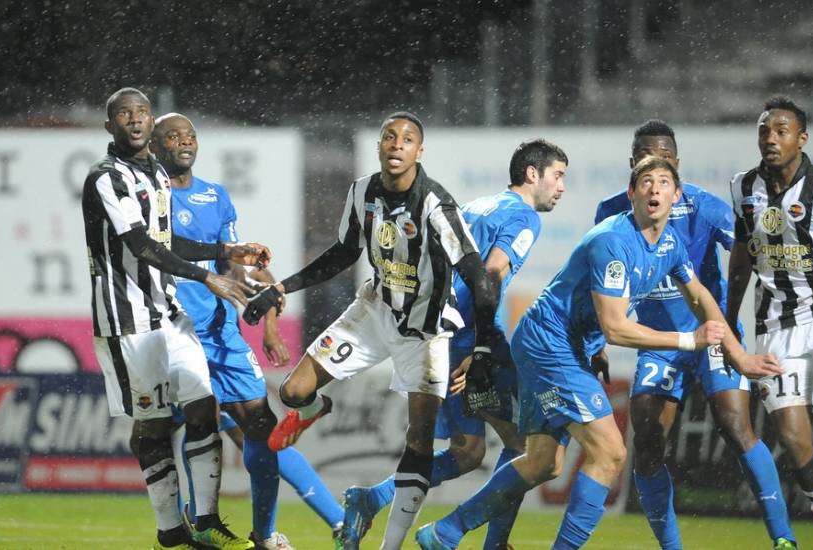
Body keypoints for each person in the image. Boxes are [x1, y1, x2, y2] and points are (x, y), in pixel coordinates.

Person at [414, 155, 783, 550]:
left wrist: (740, 357)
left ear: (677, 195)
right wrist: (687, 341)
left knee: (544, 463)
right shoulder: (613, 240)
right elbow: (615, 328)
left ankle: (445, 532)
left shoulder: (671, 244)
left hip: (561, 346)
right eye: (645, 182)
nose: (654, 189)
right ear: (631, 193)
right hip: (550, 345)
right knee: (610, 452)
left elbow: (700, 297)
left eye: (663, 182)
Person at [241, 111, 502, 550]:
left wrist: (482, 351)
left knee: (418, 441)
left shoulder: (436, 204)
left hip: (426, 331)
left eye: (407, 139)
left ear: (420, 151)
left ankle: (389, 545)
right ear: (380, 146)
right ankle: (312, 409)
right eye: (389, 137)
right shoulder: (362, 191)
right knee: (291, 392)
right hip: (375, 310)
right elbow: (343, 253)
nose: (396, 144)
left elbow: (481, 279)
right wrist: (281, 288)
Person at [338, 139, 568, 549]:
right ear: (533, 174)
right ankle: (492, 542)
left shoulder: (480, 205)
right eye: (558, 176)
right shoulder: (525, 218)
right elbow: (492, 275)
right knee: (528, 447)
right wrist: (480, 347)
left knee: (467, 450)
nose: (561, 187)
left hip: (436, 333)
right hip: (472, 339)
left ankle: (369, 499)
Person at [594, 120, 796, 549]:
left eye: (665, 160)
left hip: (713, 335)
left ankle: (784, 539)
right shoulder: (610, 213)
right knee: (647, 440)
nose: (657, 168)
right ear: (633, 168)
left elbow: (750, 250)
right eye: (647, 161)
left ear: (677, 167)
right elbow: (603, 288)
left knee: (735, 423)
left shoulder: (705, 207)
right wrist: (596, 342)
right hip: (657, 344)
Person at [82, 87, 270, 550]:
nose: (135, 119)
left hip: (169, 313)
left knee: (203, 405)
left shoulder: (157, 178)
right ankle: (169, 527)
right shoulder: (106, 178)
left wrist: (223, 252)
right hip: (128, 321)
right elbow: (139, 244)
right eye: (124, 113)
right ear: (110, 126)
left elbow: (166, 241)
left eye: (142, 111)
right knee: (152, 425)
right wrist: (207, 279)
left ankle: (204, 521)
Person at [148, 113, 345, 549]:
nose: (184, 142)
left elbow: (241, 266)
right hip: (172, 333)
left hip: (221, 335)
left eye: (190, 135)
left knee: (260, 427)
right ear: (155, 147)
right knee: (189, 429)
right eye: (172, 136)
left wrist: (271, 325)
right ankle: (197, 525)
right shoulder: (148, 198)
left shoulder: (215, 197)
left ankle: (264, 533)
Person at [726, 95, 813, 550]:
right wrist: (728, 317)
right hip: (778, 329)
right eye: (764, 130)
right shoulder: (743, 188)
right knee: (792, 437)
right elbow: (743, 256)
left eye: (781, 131)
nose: (770, 138)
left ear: (802, 139)